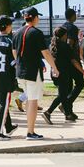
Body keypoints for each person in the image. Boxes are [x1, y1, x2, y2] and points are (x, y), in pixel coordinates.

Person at [13, 8, 57, 140]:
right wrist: (54, 67)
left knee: (28, 99)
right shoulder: (36, 33)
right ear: (35, 17)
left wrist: (18, 64)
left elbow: (14, 51)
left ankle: (30, 129)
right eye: (38, 16)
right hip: (32, 71)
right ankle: (30, 132)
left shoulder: (17, 32)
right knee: (33, 101)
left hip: (20, 71)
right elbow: (45, 53)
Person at [45, 27, 83, 123]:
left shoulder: (52, 45)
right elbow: (73, 60)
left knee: (63, 94)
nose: (67, 37)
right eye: (66, 35)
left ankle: (68, 114)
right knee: (63, 95)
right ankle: (48, 112)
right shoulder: (65, 46)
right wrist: (83, 72)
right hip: (63, 73)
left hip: (54, 72)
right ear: (63, 36)